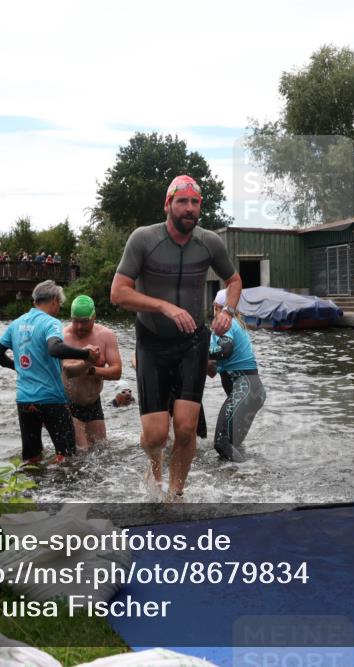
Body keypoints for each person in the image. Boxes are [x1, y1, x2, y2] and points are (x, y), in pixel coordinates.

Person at [110, 174, 243, 501]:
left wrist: (228, 311)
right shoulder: (143, 239)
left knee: (186, 427)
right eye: (182, 201)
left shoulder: (210, 242)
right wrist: (164, 307)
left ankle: (175, 494)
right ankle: (153, 466)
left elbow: (234, 280)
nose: (189, 208)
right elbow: (118, 294)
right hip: (152, 341)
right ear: (168, 204)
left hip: (192, 343)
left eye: (195, 202)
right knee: (155, 435)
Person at [0, 280, 100, 465]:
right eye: (60, 304)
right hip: (51, 399)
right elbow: (55, 349)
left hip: (24, 399)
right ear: (55, 300)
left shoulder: (17, 323)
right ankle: (63, 492)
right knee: (67, 457)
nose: (59, 308)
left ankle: (32, 490)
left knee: (31, 458)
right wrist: (86, 354)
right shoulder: (51, 323)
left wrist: (16, 367)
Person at [207, 290, 266, 462]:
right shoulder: (235, 325)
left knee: (221, 442)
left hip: (245, 387)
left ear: (217, 307)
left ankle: (249, 475)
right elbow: (211, 371)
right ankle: (239, 480)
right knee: (231, 447)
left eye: (214, 307)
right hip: (253, 391)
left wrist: (201, 351)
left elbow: (226, 349)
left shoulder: (224, 323)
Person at [60, 295, 122, 450]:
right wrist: (85, 359)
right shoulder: (62, 337)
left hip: (94, 403)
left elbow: (117, 371)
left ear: (94, 317)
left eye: (84, 321)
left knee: (101, 451)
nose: (80, 326)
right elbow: (65, 369)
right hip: (68, 403)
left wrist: (92, 370)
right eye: (76, 321)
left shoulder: (106, 336)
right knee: (81, 452)